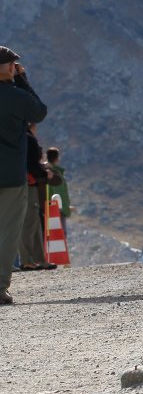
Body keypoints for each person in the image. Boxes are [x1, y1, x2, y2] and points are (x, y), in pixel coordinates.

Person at [0, 48, 48, 305]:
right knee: (8, 231)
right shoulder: (15, 96)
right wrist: (22, 80)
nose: (14, 67)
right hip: (10, 176)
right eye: (11, 65)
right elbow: (38, 111)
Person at [19, 123, 52, 271]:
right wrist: (44, 173)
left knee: (34, 222)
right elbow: (32, 163)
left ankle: (39, 259)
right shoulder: (28, 139)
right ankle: (27, 260)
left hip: (20, 184)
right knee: (29, 222)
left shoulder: (16, 137)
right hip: (28, 184)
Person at [45, 146, 69, 220]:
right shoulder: (57, 175)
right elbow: (60, 194)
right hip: (56, 210)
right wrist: (66, 210)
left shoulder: (42, 171)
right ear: (57, 159)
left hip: (44, 208)